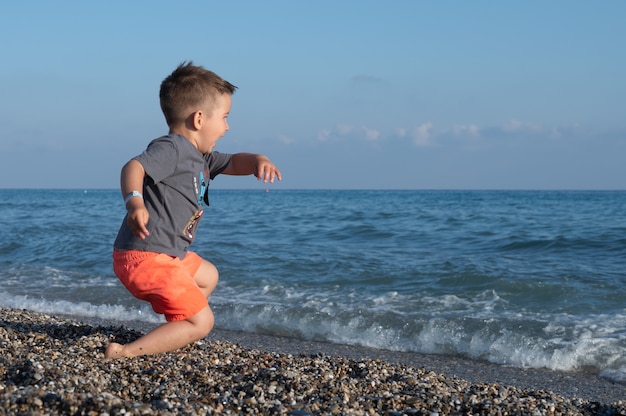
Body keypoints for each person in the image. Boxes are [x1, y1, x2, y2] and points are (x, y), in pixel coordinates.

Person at [106, 62, 281, 359]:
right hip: (146, 258)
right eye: (224, 118)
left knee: (208, 275)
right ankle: (125, 352)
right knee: (204, 322)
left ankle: (179, 325)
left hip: (166, 256)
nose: (227, 127)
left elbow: (235, 162)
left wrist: (258, 160)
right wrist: (135, 202)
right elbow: (133, 166)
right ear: (199, 119)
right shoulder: (172, 148)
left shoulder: (202, 158)